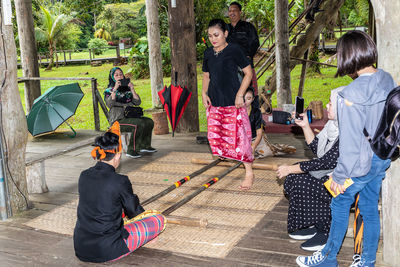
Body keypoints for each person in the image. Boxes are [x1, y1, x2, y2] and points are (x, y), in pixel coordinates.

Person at [296, 31, 397, 267]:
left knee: (339, 203)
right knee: (369, 207)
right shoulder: (386, 78)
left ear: (347, 56)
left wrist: (339, 176)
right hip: (382, 156)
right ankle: (367, 262)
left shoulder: (348, 95)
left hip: (361, 163)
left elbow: (351, 145)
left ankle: (328, 259)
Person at [73, 122, 165, 262]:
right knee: (158, 219)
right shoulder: (120, 180)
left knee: (114, 208)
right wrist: (147, 217)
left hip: (81, 247)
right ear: (117, 156)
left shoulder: (83, 175)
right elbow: (135, 212)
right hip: (108, 249)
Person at [276, 88, 342, 252]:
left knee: (306, 181)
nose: (327, 106)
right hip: (330, 171)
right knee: (294, 179)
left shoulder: (349, 131)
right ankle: (315, 223)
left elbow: (325, 162)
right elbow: (317, 149)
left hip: (343, 180)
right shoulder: (333, 125)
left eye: (331, 103)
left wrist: (291, 168)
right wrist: (305, 125)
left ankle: (326, 231)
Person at [202, 19, 254, 190]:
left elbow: (248, 73)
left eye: (216, 35)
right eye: (210, 36)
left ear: (225, 33)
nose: (213, 39)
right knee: (216, 136)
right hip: (215, 101)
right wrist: (204, 93)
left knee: (240, 138)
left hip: (233, 101)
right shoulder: (208, 53)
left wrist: (240, 94)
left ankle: (249, 172)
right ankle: (225, 156)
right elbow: (206, 76)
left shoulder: (234, 50)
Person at [104, 67, 156, 159]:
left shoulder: (127, 89)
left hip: (130, 115)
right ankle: (131, 150)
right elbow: (109, 104)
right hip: (118, 119)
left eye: (121, 74)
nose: (119, 76)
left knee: (149, 121)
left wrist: (132, 89)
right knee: (138, 124)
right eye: (116, 75)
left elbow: (137, 102)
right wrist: (115, 89)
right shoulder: (109, 90)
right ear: (112, 77)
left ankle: (145, 146)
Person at [244, 87, 296, 158]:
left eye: (248, 98)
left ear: (253, 99)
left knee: (265, 152)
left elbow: (259, 134)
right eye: (243, 98)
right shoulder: (235, 111)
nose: (245, 101)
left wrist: (252, 147)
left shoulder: (256, 112)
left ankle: (276, 148)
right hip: (241, 140)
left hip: (255, 139)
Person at [227, 1, 260, 94]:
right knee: (230, 93)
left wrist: (248, 56)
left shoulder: (248, 27)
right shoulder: (225, 28)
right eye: (230, 11)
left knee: (248, 93)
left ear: (240, 12)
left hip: (245, 65)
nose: (232, 13)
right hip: (229, 65)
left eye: (235, 10)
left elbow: (255, 43)